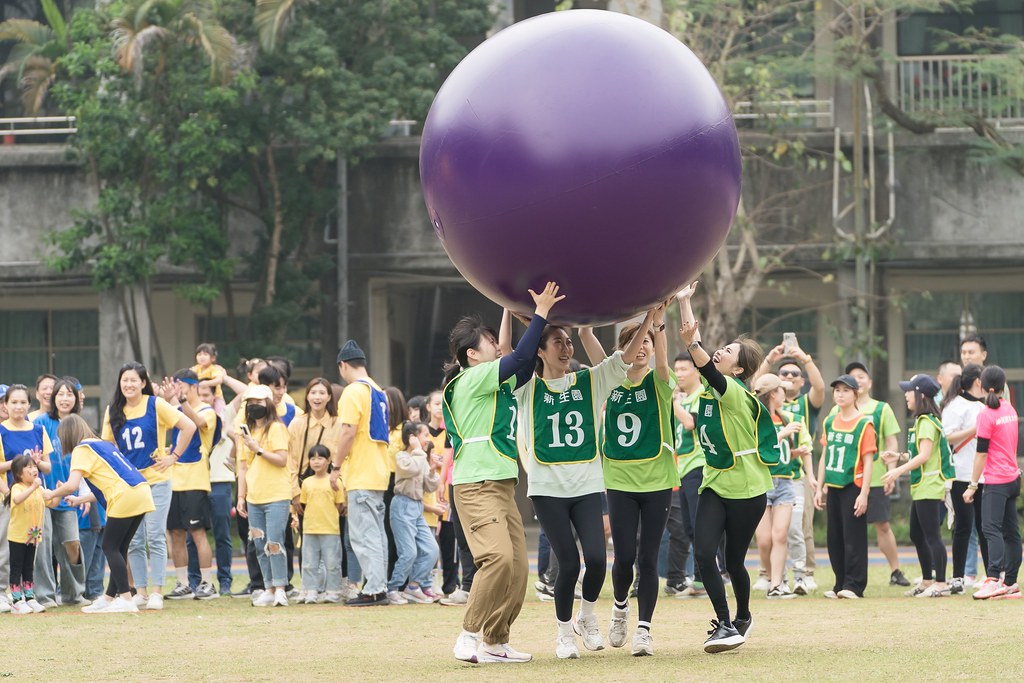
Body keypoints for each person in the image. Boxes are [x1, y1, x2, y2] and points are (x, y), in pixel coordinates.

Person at [519, 306, 654, 658]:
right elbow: (512, 352)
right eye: (557, 342)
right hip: (547, 488)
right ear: (540, 349)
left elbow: (622, 360)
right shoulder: (527, 388)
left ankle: (587, 616)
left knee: (596, 560)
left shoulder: (589, 381)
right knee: (568, 563)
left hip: (586, 485)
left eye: (568, 341)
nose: (566, 349)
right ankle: (563, 633)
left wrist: (649, 321)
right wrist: (530, 317)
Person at [443, 282, 563, 664]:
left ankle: (496, 641)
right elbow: (518, 356)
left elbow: (524, 363)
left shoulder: (492, 383)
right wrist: (541, 310)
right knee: (495, 558)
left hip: (500, 484)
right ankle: (468, 634)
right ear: (472, 355)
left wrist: (512, 310)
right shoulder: (470, 379)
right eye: (490, 343)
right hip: (475, 484)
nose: (497, 346)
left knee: (516, 568)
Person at [676, 283, 777, 653]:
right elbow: (697, 343)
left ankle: (743, 616)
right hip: (715, 484)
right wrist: (685, 301)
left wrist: (694, 346)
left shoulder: (734, 392)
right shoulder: (707, 390)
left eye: (729, 351)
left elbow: (702, 357)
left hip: (749, 489)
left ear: (738, 368)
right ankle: (724, 624)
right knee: (704, 553)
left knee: (734, 559)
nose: (721, 350)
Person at [578, 305, 673, 656]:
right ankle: (620, 608)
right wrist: (584, 309)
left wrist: (657, 322)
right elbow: (586, 335)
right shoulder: (610, 380)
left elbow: (663, 360)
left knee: (648, 558)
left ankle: (644, 630)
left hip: (658, 478)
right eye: (634, 340)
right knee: (625, 556)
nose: (642, 345)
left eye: (646, 340)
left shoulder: (660, 381)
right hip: (619, 478)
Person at [102, 362, 196, 610]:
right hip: (130, 484)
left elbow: (189, 426)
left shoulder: (155, 404)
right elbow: (107, 447)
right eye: (125, 380)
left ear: (143, 383)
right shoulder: (113, 410)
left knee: (155, 535)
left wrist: (173, 456)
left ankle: (157, 591)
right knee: (133, 540)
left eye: (134, 380)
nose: (129, 384)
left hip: (156, 480)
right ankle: (140, 591)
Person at [48, 414, 155, 613]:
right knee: (119, 547)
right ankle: (108, 598)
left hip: (125, 496)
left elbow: (71, 485)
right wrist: (80, 500)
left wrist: (51, 493)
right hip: (140, 490)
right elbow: (108, 483)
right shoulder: (102, 445)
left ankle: (125, 598)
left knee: (109, 546)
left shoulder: (82, 449)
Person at [331, 339, 391, 607]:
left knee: (364, 536)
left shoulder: (353, 391)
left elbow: (348, 431)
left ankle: (375, 589)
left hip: (361, 472)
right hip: (378, 471)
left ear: (343, 365)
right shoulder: (378, 390)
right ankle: (379, 585)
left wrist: (335, 467)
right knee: (376, 534)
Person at [881, 374, 953, 597]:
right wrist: (899, 455)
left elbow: (924, 456)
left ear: (920, 395)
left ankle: (940, 583)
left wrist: (896, 470)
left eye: (909, 391)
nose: (905, 395)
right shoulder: (923, 421)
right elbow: (920, 454)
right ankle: (927, 580)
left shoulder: (926, 422)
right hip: (922, 486)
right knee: (916, 534)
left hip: (930, 486)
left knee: (932, 536)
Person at [841, 361, 909, 587]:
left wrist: (892, 473)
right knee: (847, 529)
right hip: (848, 478)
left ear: (869, 382)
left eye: (861, 376)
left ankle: (896, 570)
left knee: (882, 524)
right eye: (852, 377)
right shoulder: (837, 409)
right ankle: (847, 575)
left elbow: (891, 441)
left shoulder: (881, 409)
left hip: (877, 476)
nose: (857, 380)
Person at [753, 373, 814, 599]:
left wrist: (797, 452)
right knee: (764, 539)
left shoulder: (787, 417)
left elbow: (784, 454)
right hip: (762, 483)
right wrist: (782, 435)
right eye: (781, 390)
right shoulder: (755, 418)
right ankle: (771, 578)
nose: (784, 394)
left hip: (786, 482)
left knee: (780, 535)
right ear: (772, 394)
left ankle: (777, 585)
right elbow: (756, 447)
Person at [814, 375, 876, 599]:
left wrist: (864, 494)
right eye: (837, 390)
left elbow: (868, 461)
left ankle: (854, 585)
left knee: (854, 538)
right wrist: (819, 486)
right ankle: (840, 582)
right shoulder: (830, 421)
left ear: (855, 394)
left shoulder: (864, 424)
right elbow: (824, 455)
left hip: (853, 485)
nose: (840, 394)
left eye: (845, 390)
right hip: (833, 485)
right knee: (835, 538)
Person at [963, 366, 1021, 599]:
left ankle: (994, 578)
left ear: (983, 386)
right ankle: (1011, 582)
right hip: (1013, 478)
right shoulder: (1009, 409)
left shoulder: (986, 414)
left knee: (990, 528)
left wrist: (972, 485)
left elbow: (981, 454)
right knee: (1011, 532)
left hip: (996, 482)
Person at [30, 377, 87, 608]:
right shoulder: (41, 422)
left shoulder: (79, 425)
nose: (64, 399)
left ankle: (74, 594)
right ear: (53, 398)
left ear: (76, 399)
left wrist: (83, 492)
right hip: (43, 495)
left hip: (68, 495)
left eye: (69, 394)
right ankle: (45, 595)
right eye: (60, 394)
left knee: (72, 543)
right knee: (42, 547)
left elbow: (87, 461)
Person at [235, 384, 294, 607]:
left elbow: (281, 459)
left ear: (268, 404)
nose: (253, 407)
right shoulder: (245, 434)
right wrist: (241, 497)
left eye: (257, 403)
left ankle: (281, 588)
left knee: (275, 542)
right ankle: (268, 587)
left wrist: (257, 448)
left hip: (276, 495)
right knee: (259, 544)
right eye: (249, 403)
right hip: (254, 498)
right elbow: (242, 468)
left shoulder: (277, 429)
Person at [164, 370, 219, 601]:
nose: (178, 391)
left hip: (195, 480)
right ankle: (183, 583)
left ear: (192, 386)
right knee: (176, 533)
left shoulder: (208, 411)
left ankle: (207, 583)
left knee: (197, 533)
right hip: (173, 480)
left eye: (181, 386)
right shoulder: (176, 410)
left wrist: (180, 401)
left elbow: (196, 424)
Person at [1, 384, 53, 612]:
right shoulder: (1, 431)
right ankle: (7, 594)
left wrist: (37, 461)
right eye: (14, 402)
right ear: (5, 405)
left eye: (23, 402)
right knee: (8, 550)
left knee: (33, 548)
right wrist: (19, 462)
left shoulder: (38, 430)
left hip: (36, 500)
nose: (18, 406)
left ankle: (30, 594)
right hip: (10, 497)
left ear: (29, 405)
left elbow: (47, 467)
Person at [940, 363, 987, 594]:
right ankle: (958, 577)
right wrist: (974, 429)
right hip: (962, 474)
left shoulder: (987, 405)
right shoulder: (956, 405)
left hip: (986, 475)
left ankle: (991, 576)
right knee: (963, 526)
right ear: (978, 381)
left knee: (985, 526)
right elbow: (948, 437)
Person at [388, 422, 441, 605]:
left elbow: (430, 486)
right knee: (408, 552)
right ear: (412, 437)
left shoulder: (420, 459)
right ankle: (393, 588)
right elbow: (411, 469)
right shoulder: (403, 456)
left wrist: (433, 470)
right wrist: (419, 452)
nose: (427, 439)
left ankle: (414, 586)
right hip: (402, 505)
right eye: (424, 435)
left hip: (416, 507)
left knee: (432, 549)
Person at [671, 352, 708, 599]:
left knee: (699, 525)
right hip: (681, 469)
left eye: (684, 369)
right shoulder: (682, 399)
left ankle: (704, 578)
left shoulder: (701, 397)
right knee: (688, 527)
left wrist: (673, 401)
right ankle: (698, 577)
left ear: (696, 371)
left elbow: (690, 424)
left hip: (699, 466)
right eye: (676, 370)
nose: (679, 374)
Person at [5, 454, 53, 614]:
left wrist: (58, 494)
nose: (34, 470)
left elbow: (50, 502)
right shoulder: (18, 487)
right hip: (18, 536)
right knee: (16, 568)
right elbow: (17, 499)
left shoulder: (38, 488)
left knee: (28, 567)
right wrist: (33, 487)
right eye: (29, 467)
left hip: (33, 537)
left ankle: (30, 597)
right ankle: (17, 601)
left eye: (34, 466)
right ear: (19, 473)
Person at [299, 444, 346, 603]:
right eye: (312, 458)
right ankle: (311, 590)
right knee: (309, 563)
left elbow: (340, 505)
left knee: (332, 562)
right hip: (310, 528)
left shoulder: (335, 481)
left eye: (320, 458)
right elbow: (304, 503)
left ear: (328, 461)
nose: (316, 462)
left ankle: (333, 591)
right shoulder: (306, 482)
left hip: (330, 528)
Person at [193, 343, 227, 414]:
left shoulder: (214, 368)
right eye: (199, 355)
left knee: (220, 412)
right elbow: (188, 374)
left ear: (213, 358)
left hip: (216, 397)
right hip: (199, 396)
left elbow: (219, 379)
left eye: (205, 354)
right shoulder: (196, 368)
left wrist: (207, 383)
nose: (202, 357)